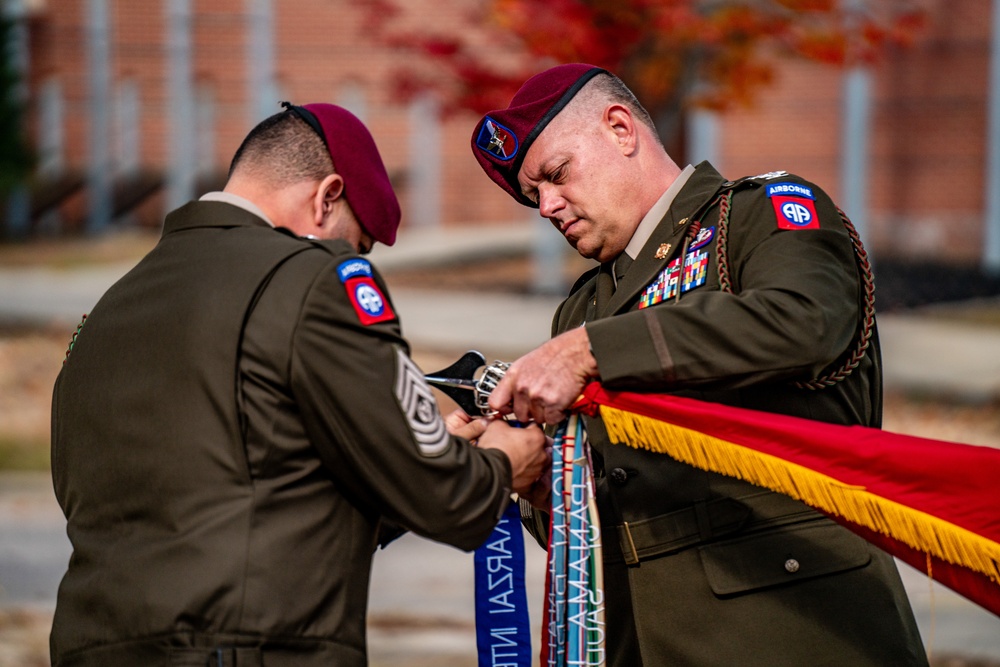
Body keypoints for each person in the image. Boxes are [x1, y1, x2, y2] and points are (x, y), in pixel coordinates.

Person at [49, 102, 549, 667]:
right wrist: (502, 462)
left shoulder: (105, 313)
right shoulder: (316, 279)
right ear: (327, 197)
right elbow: (448, 499)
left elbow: (223, 496)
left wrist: (407, 461)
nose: (353, 256)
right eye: (358, 243)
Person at [471, 64, 929, 666]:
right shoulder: (582, 307)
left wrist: (590, 351)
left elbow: (804, 321)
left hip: (790, 628)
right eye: (535, 196)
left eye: (556, 175)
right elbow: (599, 520)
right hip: (644, 639)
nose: (547, 206)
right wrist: (535, 482)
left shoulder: (760, 214)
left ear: (620, 129)